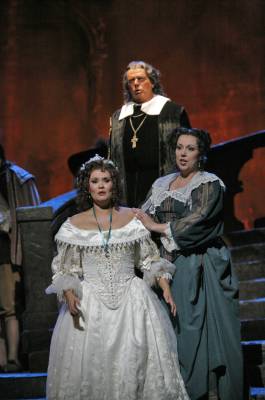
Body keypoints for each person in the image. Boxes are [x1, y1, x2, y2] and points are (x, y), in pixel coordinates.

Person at [45, 155, 189, 400]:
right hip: (91, 304)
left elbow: (148, 259)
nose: (101, 185)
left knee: (135, 360)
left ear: (114, 184)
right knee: (92, 364)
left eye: (106, 180)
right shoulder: (72, 226)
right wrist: (69, 292)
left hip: (133, 302)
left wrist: (164, 285)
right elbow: (65, 269)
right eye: (95, 181)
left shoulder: (132, 219)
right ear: (87, 187)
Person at [135, 127, 243, 400]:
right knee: (174, 330)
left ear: (201, 154)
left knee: (201, 328)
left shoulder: (209, 183)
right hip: (168, 263)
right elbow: (141, 216)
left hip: (202, 262)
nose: (183, 154)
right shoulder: (162, 184)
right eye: (179, 147)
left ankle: (209, 390)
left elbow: (199, 220)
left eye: (190, 148)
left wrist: (156, 226)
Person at [109, 60, 191, 207]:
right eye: (131, 81)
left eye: (140, 79)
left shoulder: (172, 112)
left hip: (165, 190)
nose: (135, 84)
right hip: (127, 195)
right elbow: (112, 157)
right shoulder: (118, 118)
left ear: (152, 82)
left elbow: (190, 154)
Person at [0, 144, 41, 372]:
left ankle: (12, 359)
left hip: (6, 253)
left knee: (8, 308)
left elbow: (26, 215)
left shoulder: (17, 179)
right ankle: (2, 360)